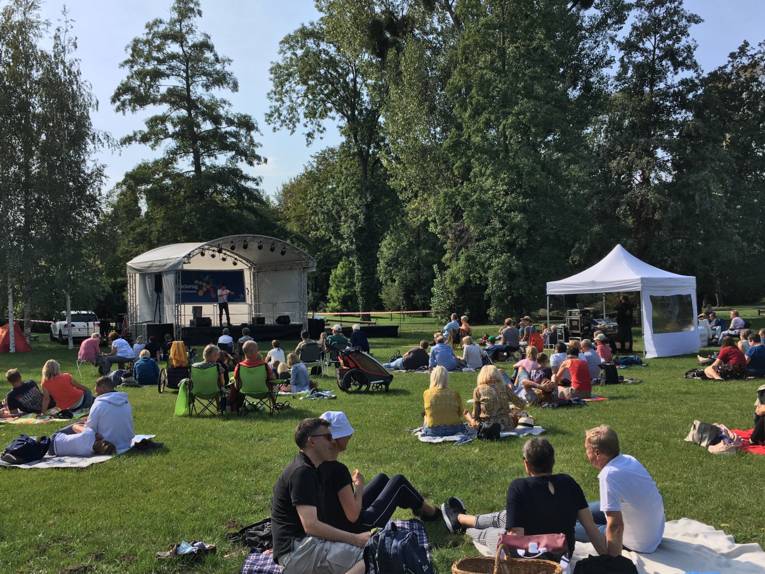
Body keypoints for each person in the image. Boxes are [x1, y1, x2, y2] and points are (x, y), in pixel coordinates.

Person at [442, 438, 607, 560]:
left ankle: (464, 527)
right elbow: (590, 527)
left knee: (494, 534)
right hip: (564, 550)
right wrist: (611, 559)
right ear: (553, 461)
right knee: (507, 516)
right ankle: (460, 518)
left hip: (537, 554)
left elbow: (517, 540)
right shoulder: (569, 482)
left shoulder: (519, 487)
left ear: (526, 464)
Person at [318, 411, 442, 536]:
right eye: (347, 434)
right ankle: (430, 512)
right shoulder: (338, 470)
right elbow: (353, 517)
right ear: (334, 439)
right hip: (356, 527)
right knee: (399, 482)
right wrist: (359, 488)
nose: (350, 436)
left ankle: (417, 506)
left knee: (382, 479)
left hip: (338, 521)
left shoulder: (320, 464)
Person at [270, 417, 369, 574]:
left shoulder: (309, 468)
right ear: (312, 442)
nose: (332, 442)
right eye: (328, 437)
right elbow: (311, 525)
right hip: (296, 553)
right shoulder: (302, 473)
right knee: (371, 557)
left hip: (302, 546)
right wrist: (355, 539)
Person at [576, 425, 665, 555]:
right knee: (579, 510)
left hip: (639, 543)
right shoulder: (629, 459)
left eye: (587, 449)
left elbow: (616, 526)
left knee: (570, 525)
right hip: (654, 534)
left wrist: (613, 563)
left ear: (597, 453)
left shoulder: (608, 475)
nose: (586, 454)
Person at [464, 365, 523, 432]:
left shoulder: (478, 390)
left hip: (488, 427)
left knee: (472, 420)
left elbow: (475, 415)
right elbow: (521, 404)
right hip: (507, 425)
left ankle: (468, 417)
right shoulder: (504, 387)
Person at [231, 340, 275, 413]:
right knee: (273, 384)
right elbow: (272, 378)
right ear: (253, 352)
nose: (258, 351)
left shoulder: (239, 366)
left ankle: (235, 407)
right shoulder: (264, 365)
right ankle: (274, 405)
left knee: (233, 382)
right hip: (264, 391)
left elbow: (236, 379)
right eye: (257, 350)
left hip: (244, 391)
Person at [422, 366, 466, 436]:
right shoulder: (454, 393)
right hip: (455, 429)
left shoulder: (426, 393)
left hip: (433, 431)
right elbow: (460, 413)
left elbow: (427, 412)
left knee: (425, 416)